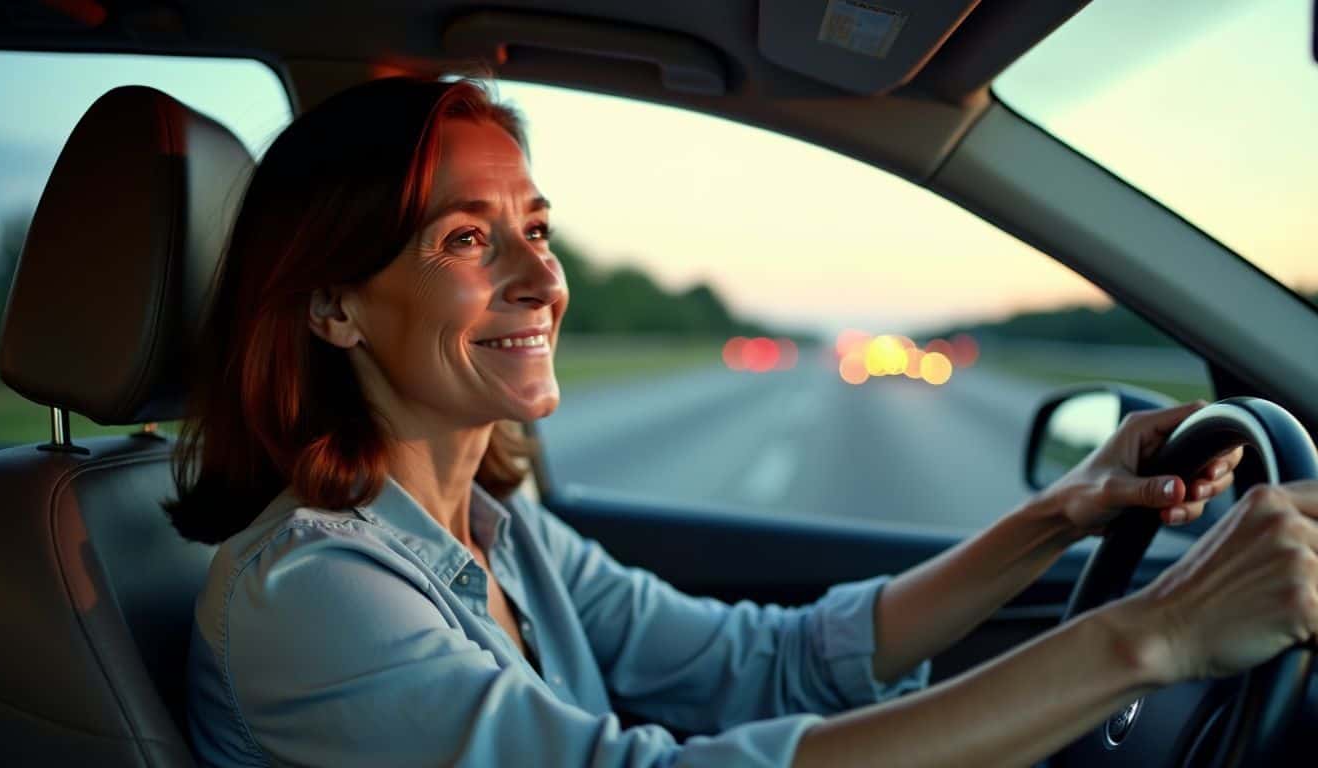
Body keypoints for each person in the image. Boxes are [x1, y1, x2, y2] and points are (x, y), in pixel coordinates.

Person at [168, 77, 1318, 767]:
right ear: (331, 305)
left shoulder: (496, 528)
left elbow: (759, 661)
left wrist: (1061, 515)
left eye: (539, 229)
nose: (542, 278)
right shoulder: (309, 595)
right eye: (468, 240)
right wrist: (1153, 636)